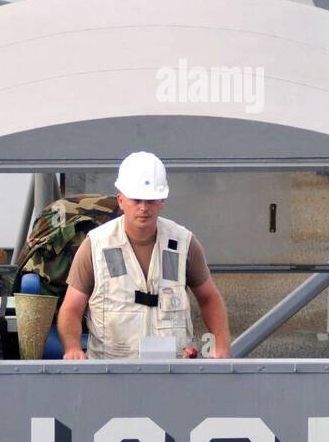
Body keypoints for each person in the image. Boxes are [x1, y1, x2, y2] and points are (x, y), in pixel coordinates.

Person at [57, 151, 231, 361]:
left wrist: (221, 345)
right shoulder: (95, 245)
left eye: (150, 200)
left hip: (173, 372)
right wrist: (72, 348)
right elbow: (71, 308)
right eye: (136, 199)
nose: (143, 208)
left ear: (162, 200)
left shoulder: (183, 243)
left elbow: (209, 297)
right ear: (121, 200)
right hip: (110, 373)